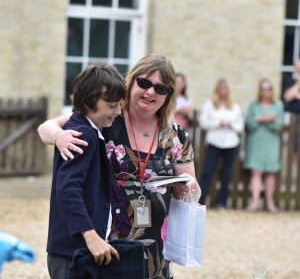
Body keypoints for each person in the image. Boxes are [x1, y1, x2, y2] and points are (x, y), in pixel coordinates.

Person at [38, 54, 201, 279]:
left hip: (155, 248)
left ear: (169, 95)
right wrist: (59, 136)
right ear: (132, 81)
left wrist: (190, 189)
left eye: (160, 88)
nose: (150, 92)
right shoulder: (106, 118)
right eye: (144, 83)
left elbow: (189, 192)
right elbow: (46, 128)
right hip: (105, 245)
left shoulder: (176, 135)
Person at [45, 63, 126, 278]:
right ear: (90, 100)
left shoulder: (83, 128)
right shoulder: (84, 135)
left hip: (70, 250)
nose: (117, 112)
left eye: (120, 105)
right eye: (112, 105)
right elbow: (67, 189)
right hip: (72, 252)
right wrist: (91, 236)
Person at [198, 79, 244, 209]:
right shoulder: (209, 105)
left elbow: (240, 125)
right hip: (214, 142)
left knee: (227, 174)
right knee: (207, 172)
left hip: (231, 143)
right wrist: (218, 123)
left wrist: (230, 124)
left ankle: (221, 202)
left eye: (225, 89)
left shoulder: (235, 106)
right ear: (217, 91)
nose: (223, 91)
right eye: (221, 89)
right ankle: (201, 201)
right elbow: (203, 122)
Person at [244, 79, 284, 212]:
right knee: (255, 172)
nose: (265, 90)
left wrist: (261, 119)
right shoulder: (253, 105)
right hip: (256, 142)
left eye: (268, 87)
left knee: (270, 173)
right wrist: (266, 119)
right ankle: (255, 202)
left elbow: (278, 125)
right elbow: (250, 123)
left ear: (272, 90)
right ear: (259, 90)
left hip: (271, 143)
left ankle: (270, 203)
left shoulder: (278, 105)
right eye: (263, 87)